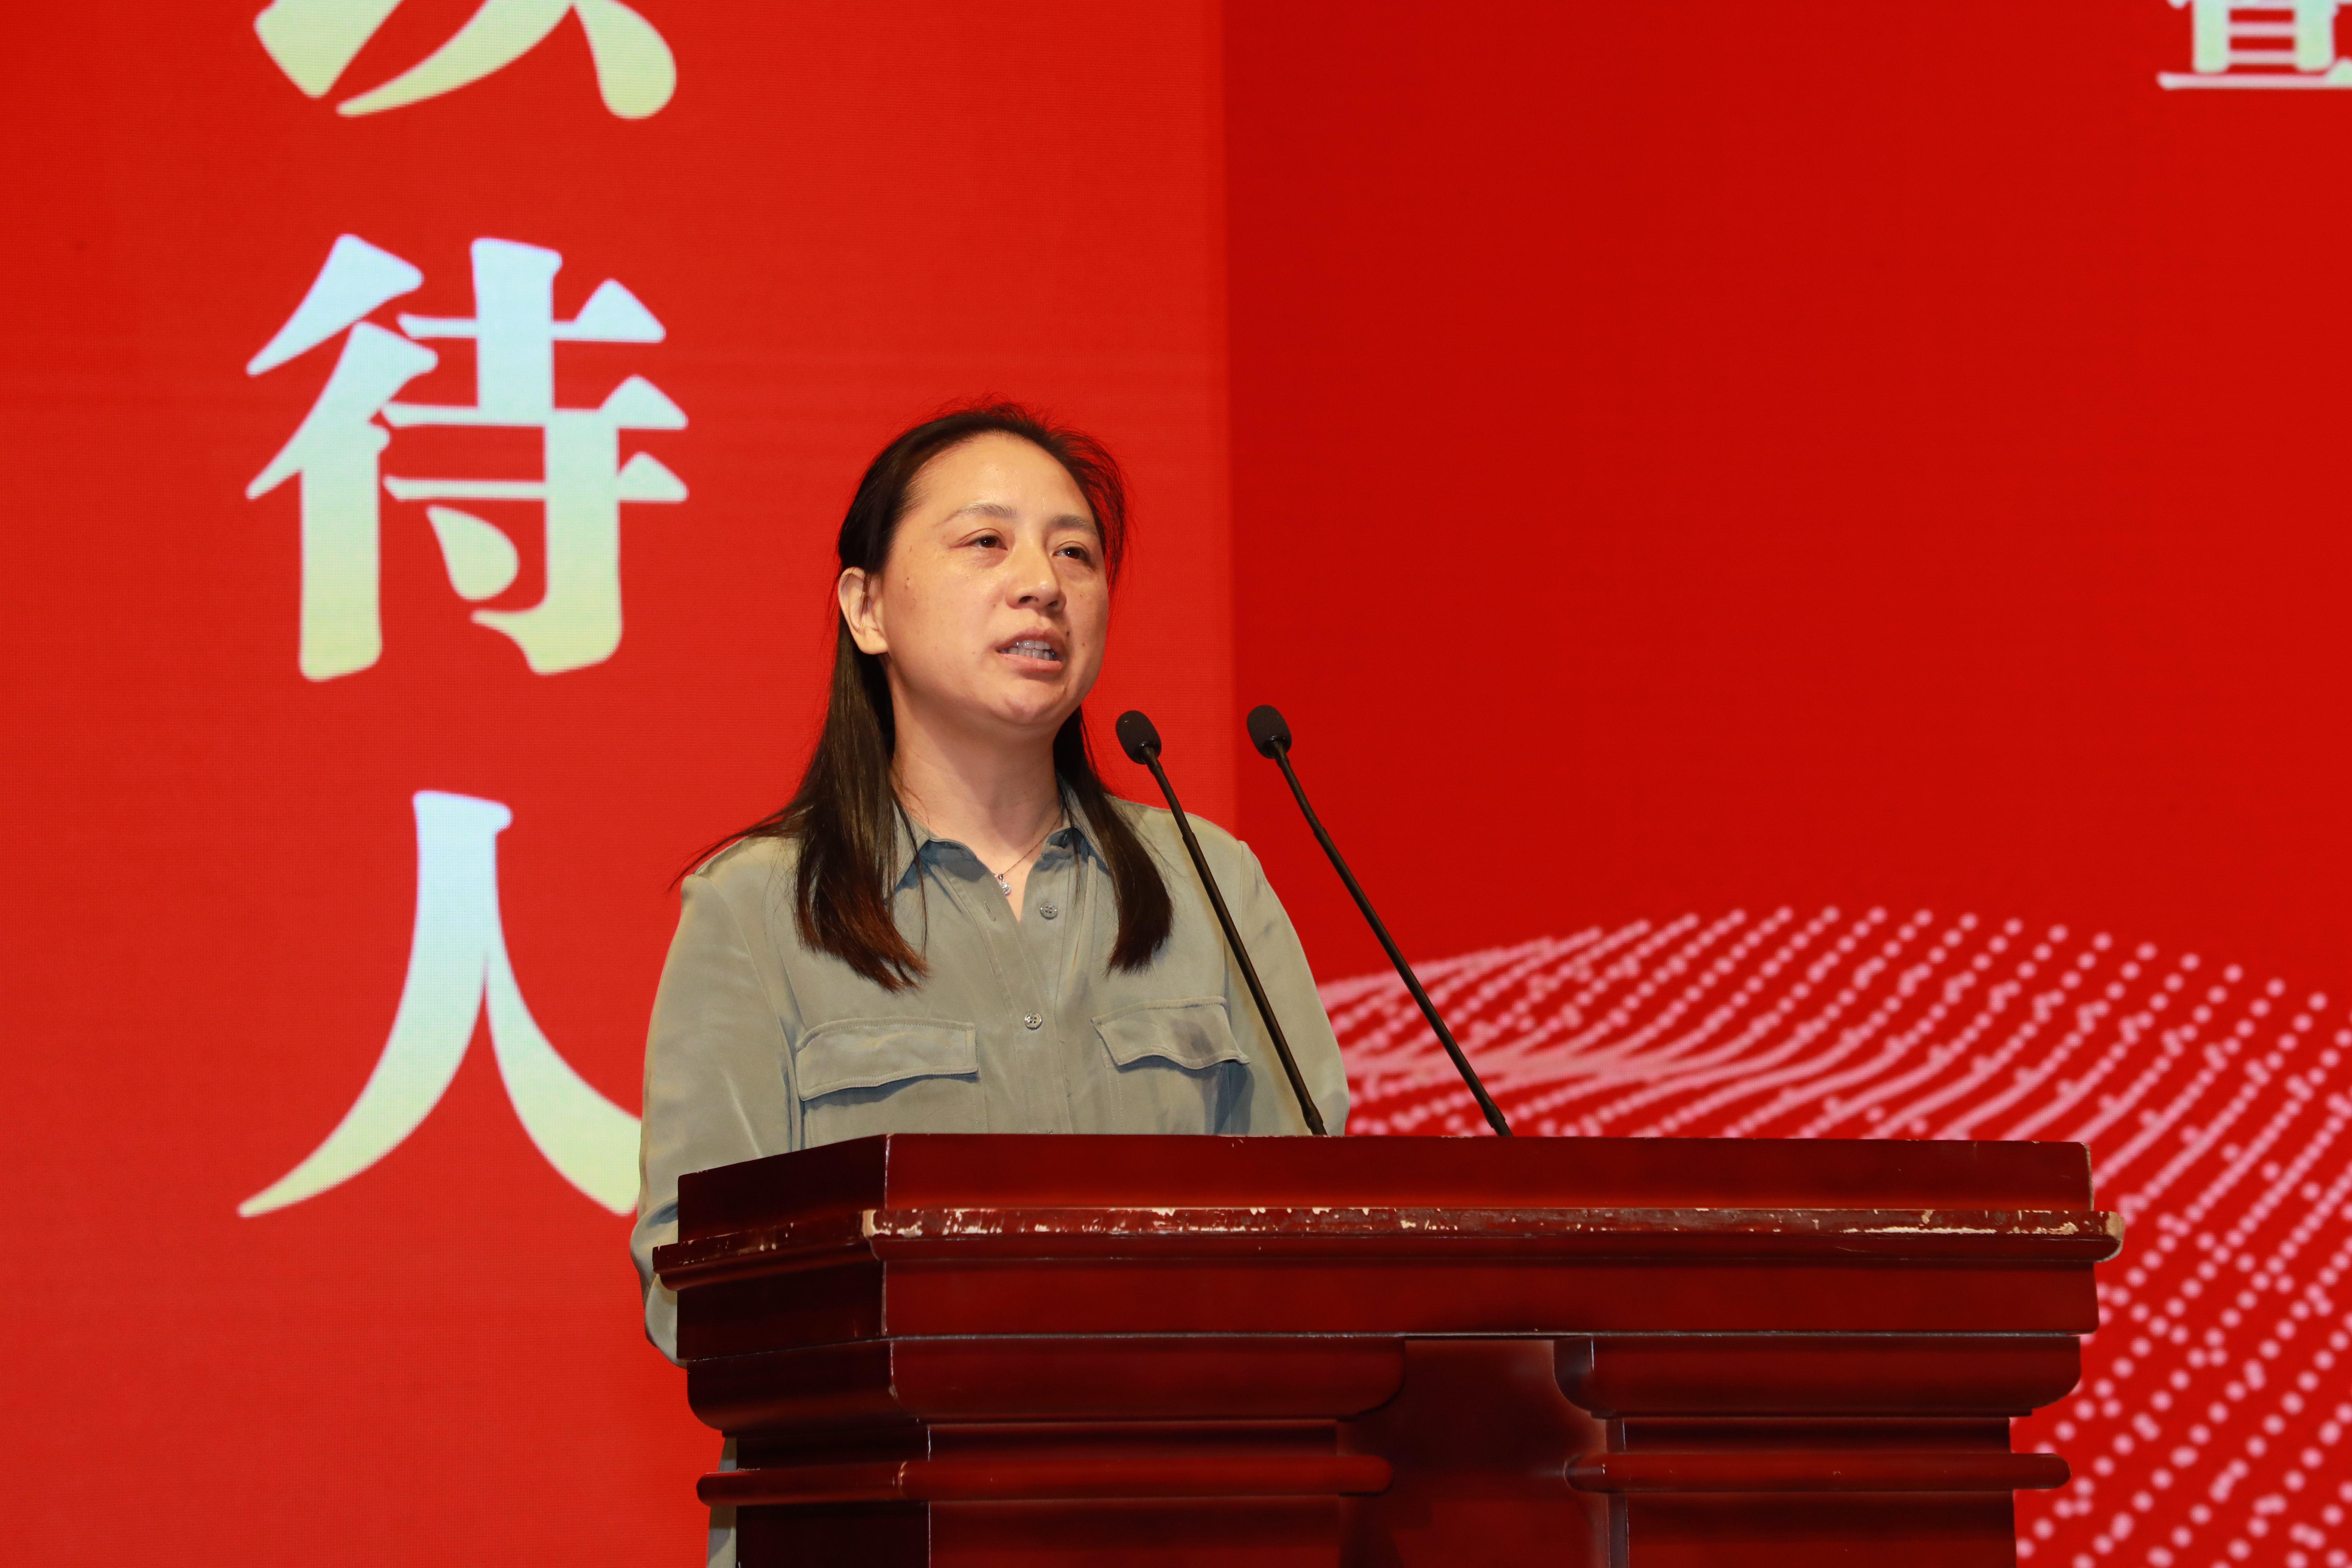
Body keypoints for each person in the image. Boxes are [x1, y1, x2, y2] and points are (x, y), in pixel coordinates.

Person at [629, 404, 1349, 1560]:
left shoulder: (1214, 883)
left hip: (1182, 1523)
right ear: (867, 607)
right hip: (871, 1527)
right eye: (986, 543)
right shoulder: (755, 905)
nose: (1043, 586)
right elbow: (697, 1284)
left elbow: (1322, 1239)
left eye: (1076, 553)